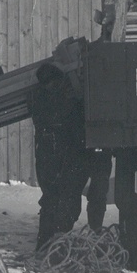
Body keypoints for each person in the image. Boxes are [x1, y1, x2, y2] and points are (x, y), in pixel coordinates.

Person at [28, 63, 87, 251]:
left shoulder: (37, 96)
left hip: (51, 153)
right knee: (63, 201)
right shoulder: (67, 97)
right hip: (65, 154)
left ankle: (48, 245)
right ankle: (56, 245)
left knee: (53, 200)